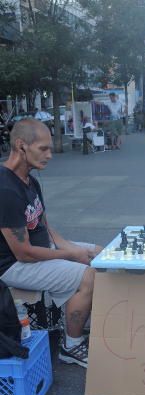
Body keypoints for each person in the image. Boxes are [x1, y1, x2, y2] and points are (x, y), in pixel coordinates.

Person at [0, 118, 103, 368]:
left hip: (38, 251)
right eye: (43, 149)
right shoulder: (6, 190)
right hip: (13, 265)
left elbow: (44, 228)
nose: (50, 155)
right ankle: (72, 344)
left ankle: (77, 317)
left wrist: (77, 250)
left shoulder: (30, 181)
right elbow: (23, 253)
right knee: (88, 276)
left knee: (100, 254)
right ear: (21, 146)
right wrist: (71, 256)